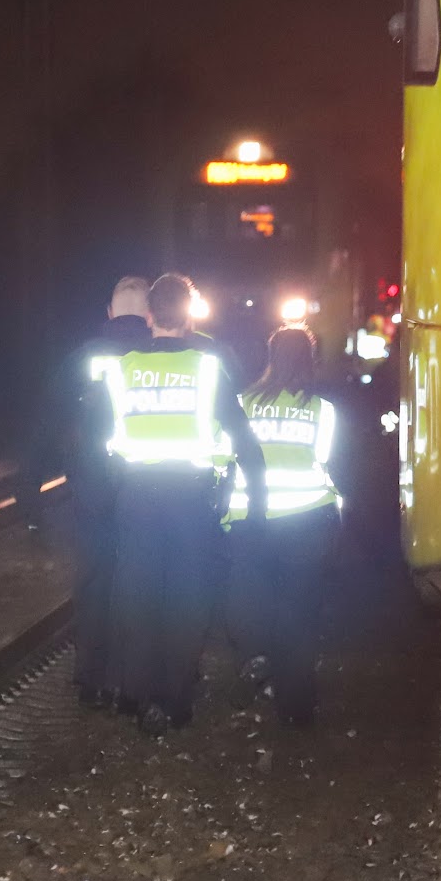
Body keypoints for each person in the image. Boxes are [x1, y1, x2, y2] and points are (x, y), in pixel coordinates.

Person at [95, 272, 264, 736]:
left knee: (136, 595)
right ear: (188, 318)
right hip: (190, 500)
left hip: (135, 497)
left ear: (149, 316)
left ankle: (135, 693)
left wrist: (112, 493)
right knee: (186, 600)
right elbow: (243, 438)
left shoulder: (121, 368)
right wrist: (258, 500)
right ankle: (173, 701)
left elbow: (100, 440)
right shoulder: (208, 368)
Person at [224, 326, 344, 726]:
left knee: (253, 603)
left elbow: (225, 459)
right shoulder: (322, 410)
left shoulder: (241, 403)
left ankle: (257, 661)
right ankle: (296, 707)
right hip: (306, 522)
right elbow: (326, 461)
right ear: (309, 360)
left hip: (250, 520)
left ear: (270, 358)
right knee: (297, 613)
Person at [67, 276, 152, 708]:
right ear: (151, 313)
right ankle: (126, 677)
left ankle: (89, 676)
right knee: (137, 583)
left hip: (91, 483)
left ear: (109, 312)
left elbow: (56, 419)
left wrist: (32, 485)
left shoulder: (84, 357)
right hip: (144, 487)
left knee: (93, 580)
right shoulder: (161, 357)